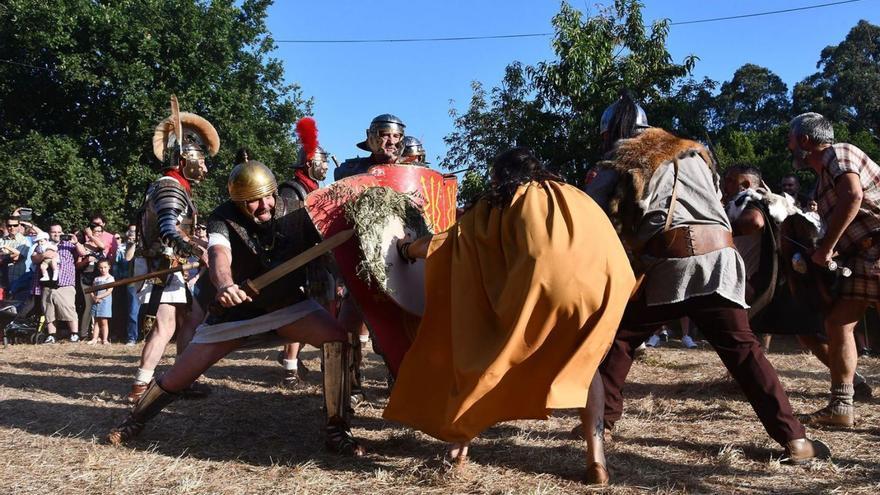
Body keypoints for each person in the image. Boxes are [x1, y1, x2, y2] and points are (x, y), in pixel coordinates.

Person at [585, 95, 829, 464]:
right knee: (746, 353)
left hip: (673, 262)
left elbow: (591, 208)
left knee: (620, 340)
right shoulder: (693, 152)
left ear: (613, 133)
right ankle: (795, 440)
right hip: (721, 259)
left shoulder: (623, 156)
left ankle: (601, 421)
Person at [384, 147, 634, 485]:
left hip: (546, 287)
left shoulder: (503, 199)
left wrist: (404, 248)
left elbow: (448, 243)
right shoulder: (573, 194)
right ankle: (597, 460)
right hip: (604, 288)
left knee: (479, 351)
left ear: (501, 175)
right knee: (586, 365)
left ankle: (459, 448)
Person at [107, 160, 365, 457]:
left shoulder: (297, 210)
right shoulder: (224, 217)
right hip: (236, 312)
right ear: (238, 201)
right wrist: (225, 285)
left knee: (338, 339)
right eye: (253, 200)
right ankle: (135, 419)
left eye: (268, 195)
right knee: (179, 375)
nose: (264, 204)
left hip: (287, 303)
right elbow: (219, 254)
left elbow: (330, 248)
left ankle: (337, 428)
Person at [788, 112, 880, 428]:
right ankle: (841, 406)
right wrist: (827, 252)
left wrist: (826, 248)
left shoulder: (839, 153)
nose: (788, 147)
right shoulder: (820, 187)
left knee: (838, 323)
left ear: (804, 140)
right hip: (865, 257)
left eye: (790, 140)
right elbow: (846, 226)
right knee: (838, 323)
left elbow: (853, 196)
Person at [125, 100, 218, 403]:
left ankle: (183, 377)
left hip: (170, 264)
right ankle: (141, 386)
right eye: (199, 160)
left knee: (190, 317)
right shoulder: (169, 187)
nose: (203, 166)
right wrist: (198, 250)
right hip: (160, 268)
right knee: (165, 326)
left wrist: (201, 245)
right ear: (184, 160)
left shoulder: (174, 186)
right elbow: (168, 229)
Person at [32, 224, 89, 343]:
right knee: (49, 311)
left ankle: (74, 334)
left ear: (62, 233)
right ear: (49, 233)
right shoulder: (42, 244)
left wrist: (76, 242)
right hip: (47, 282)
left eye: (59, 232)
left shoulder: (68, 245)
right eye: (54, 232)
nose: (56, 234)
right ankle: (51, 335)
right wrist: (44, 255)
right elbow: (34, 258)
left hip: (65, 283)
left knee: (68, 309)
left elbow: (83, 253)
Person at [334, 114, 405, 181]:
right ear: (370, 136)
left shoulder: (410, 169)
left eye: (396, 136)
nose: (391, 142)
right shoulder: (350, 170)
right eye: (385, 135)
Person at [87, 259, 114, 345]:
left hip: (105, 301)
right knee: (96, 321)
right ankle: (94, 338)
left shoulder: (110, 278)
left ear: (109, 267)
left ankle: (105, 339)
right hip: (96, 301)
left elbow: (109, 291)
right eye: (101, 268)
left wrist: (99, 297)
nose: (103, 269)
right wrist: (94, 297)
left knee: (104, 321)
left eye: (105, 267)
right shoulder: (97, 279)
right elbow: (92, 289)